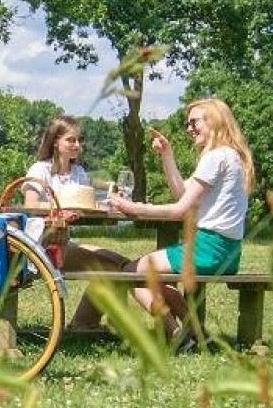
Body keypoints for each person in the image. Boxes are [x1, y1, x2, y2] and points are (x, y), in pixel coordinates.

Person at [89, 98, 255, 346]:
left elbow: (179, 210)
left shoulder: (216, 156)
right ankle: (197, 334)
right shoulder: (231, 156)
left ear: (215, 121)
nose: (189, 128)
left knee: (131, 273)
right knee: (152, 276)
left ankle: (176, 333)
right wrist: (167, 155)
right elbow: (182, 194)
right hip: (229, 254)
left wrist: (136, 208)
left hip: (207, 249)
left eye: (194, 122)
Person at [21, 115, 131, 331]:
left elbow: (84, 204)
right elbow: (31, 207)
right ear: (55, 142)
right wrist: (62, 210)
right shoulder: (39, 170)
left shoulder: (78, 173)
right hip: (41, 246)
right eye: (71, 140)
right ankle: (94, 323)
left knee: (121, 262)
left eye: (79, 140)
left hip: (63, 243)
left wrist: (108, 205)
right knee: (111, 267)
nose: (77, 145)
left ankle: (86, 322)